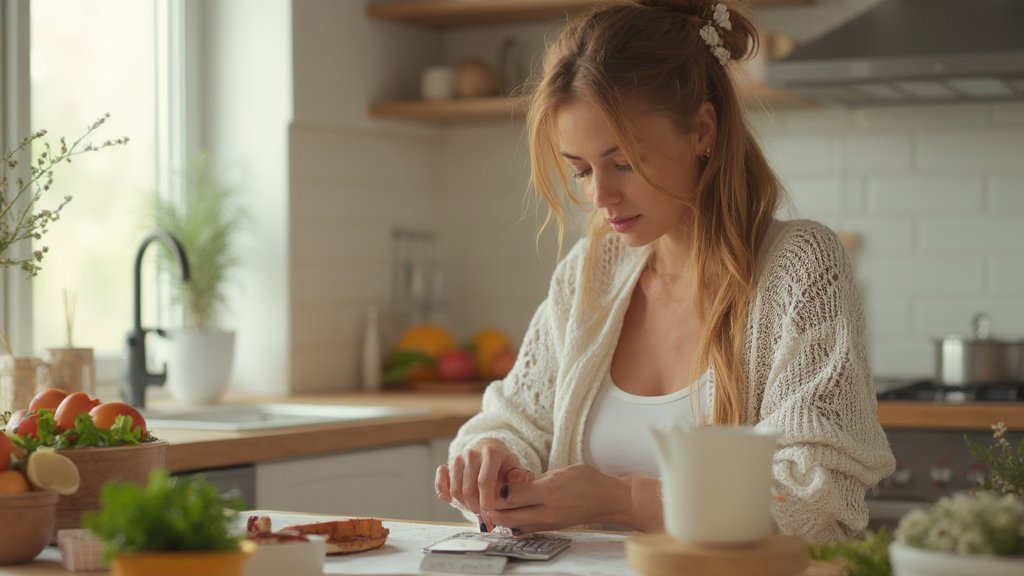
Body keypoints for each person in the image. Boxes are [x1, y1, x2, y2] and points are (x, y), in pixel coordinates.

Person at [434, 0, 895, 543]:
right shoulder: (591, 271)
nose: (600, 196)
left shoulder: (801, 268)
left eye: (624, 162)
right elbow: (516, 419)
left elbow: (814, 497)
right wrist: (492, 456)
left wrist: (622, 498)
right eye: (581, 170)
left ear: (702, 130)